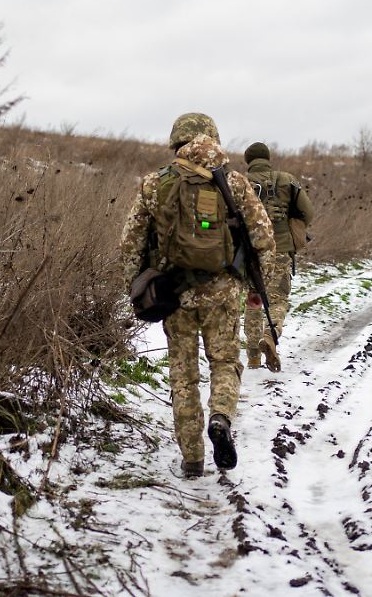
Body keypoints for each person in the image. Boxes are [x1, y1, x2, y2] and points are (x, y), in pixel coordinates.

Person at [119, 113, 276, 478]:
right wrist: (257, 289)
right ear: (213, 138)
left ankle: (192, 458)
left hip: (174, 294)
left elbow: (128, 246)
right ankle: (221, 417)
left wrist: (136, 291)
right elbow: (264, 238)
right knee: (224, 362)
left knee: (183, 375)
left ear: (176, 142)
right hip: (222, 293)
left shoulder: (153, 184)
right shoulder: (234, 183)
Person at [241, 141, 315, 372]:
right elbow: (308, 212)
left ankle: (253, 356)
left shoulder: (238, 181)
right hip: (281, 247)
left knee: (253, 299)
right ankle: (269, 335)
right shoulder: (287, 179)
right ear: (268, 158)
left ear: (248, 161)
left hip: (249, 250)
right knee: (278, 298)